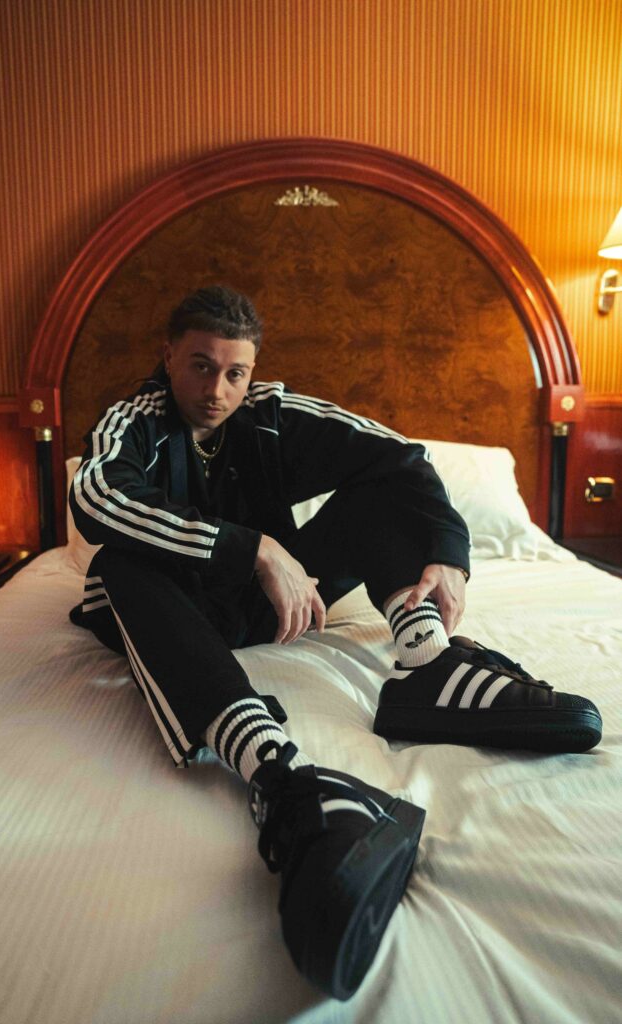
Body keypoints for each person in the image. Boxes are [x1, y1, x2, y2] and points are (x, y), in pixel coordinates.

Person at [69, 285, 602, 1001]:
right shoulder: (132, 420)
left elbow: (400, 456)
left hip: (272, 609)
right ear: (168, 357)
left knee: (378, 486)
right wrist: (255, 548)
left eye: (235, 372)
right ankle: (283, 778)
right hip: (173, 612)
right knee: (118, 563)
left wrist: (448, 553)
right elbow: (96, 498)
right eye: (200, 366)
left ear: (253, 371)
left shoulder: (272, 416)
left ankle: (429, 664)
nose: (217, 389)